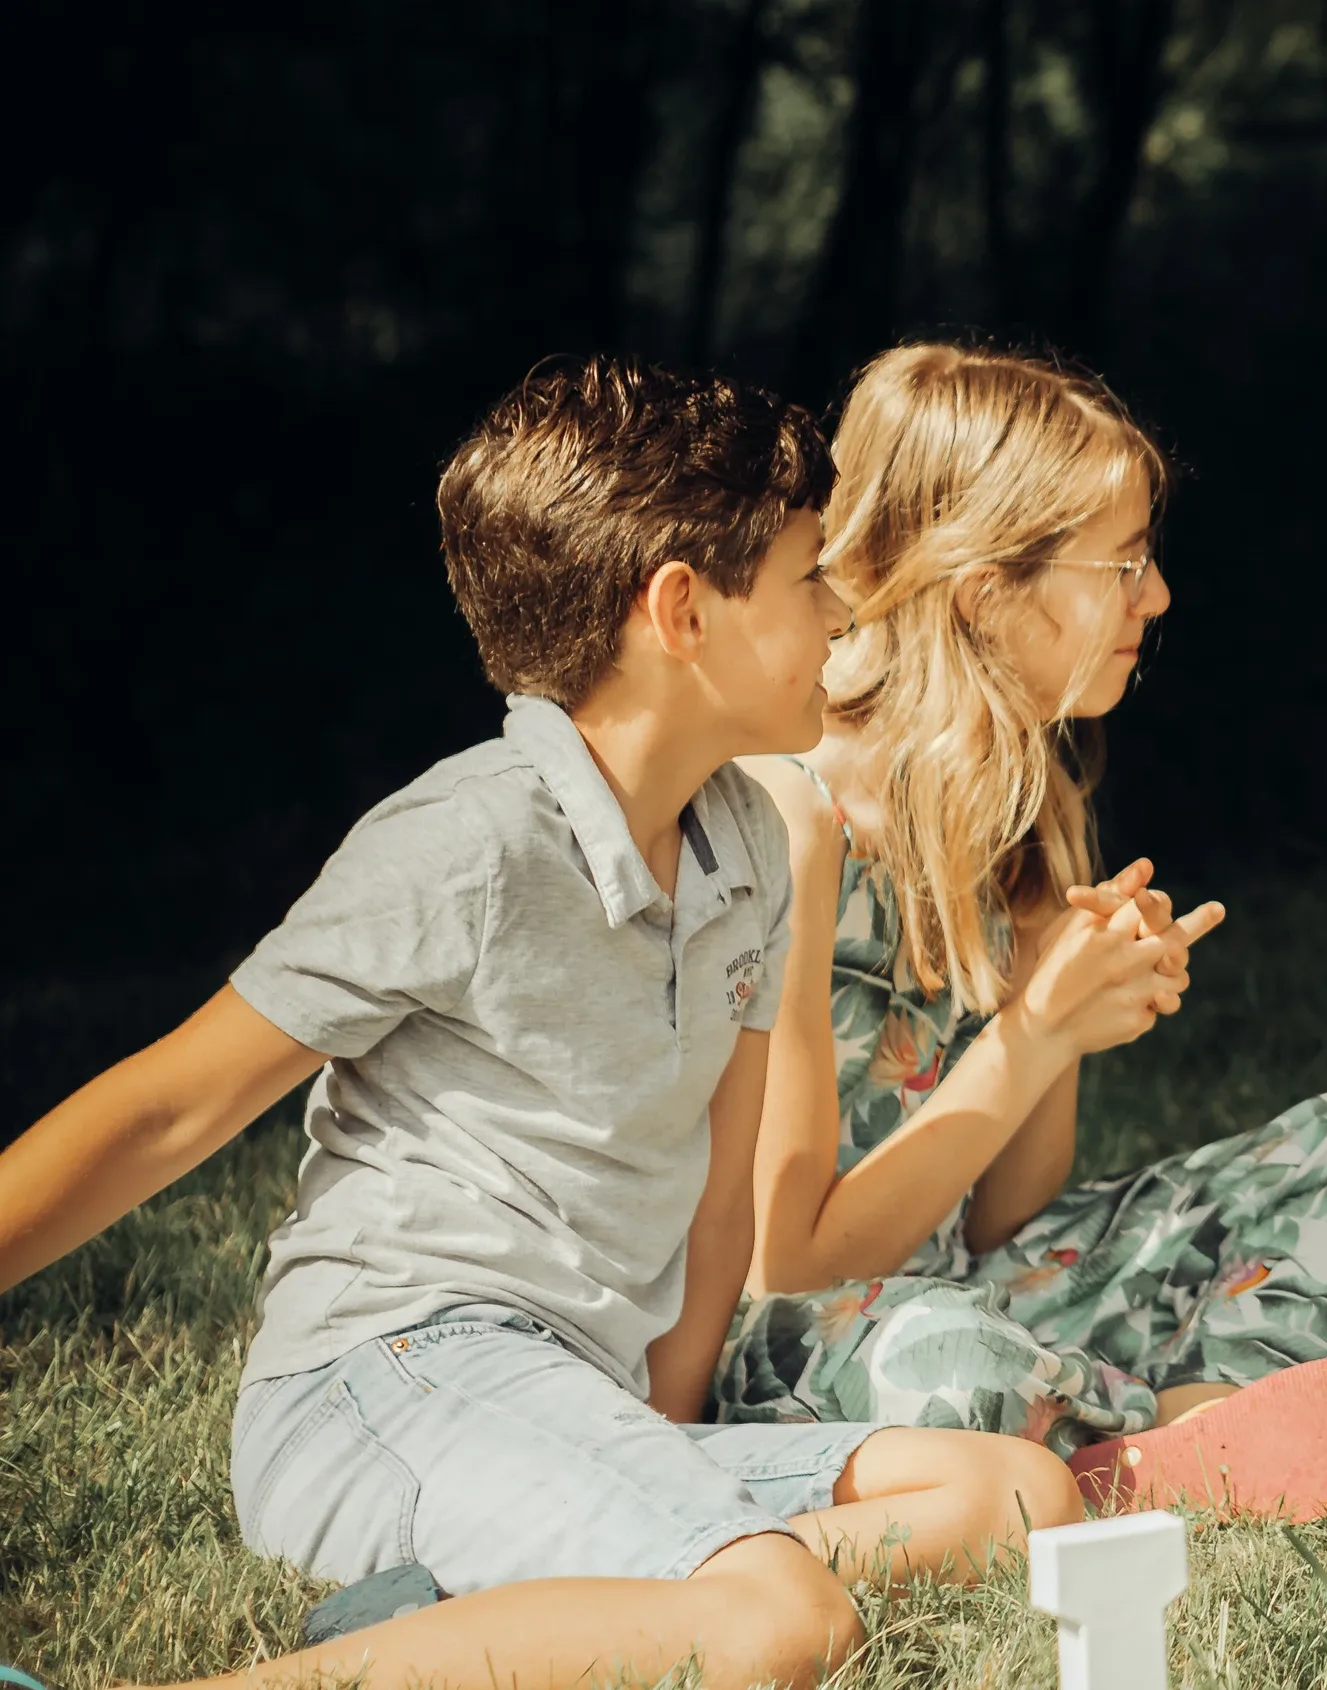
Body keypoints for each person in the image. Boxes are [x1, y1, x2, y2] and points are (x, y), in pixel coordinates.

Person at [0, 359, 1084, 1689]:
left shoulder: (746, 839)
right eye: (810, 577)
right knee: (779, 1622)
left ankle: (503, 1608)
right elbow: (170, 1107)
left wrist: (654, 1449)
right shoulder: (467, 843)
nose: (845, 604)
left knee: (1014, 1493)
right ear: (682, 610)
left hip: (574, 1394)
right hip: (386, 1378)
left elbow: (717, 1216)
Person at [710, 343, 1327, 1506]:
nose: (1156, 596)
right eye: (1120, 565)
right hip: (802, 1336)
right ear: (985, 590)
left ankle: (1160, 1422)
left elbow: (1009, 1214)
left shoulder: (1026, 794)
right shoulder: (795, 813)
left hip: (976, 1280)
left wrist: (1064, 1020)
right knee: (946, 1367)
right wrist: (1030, 1033)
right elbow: (789, 1264)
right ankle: (1205, 1410)